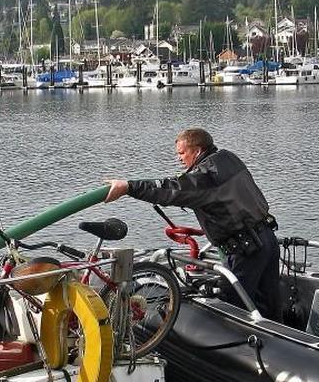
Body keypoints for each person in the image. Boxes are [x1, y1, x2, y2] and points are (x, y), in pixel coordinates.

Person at [105, 128, 282, 320]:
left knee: (232, 307)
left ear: (197, 151)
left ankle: (234, 343)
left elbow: (172, 190)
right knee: (269, 300)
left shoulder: (206, 175)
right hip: (267, 238)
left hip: (245, 250)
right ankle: (282, 336)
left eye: (182, 153)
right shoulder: (228, 158)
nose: (179, 159)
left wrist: (129, 187)